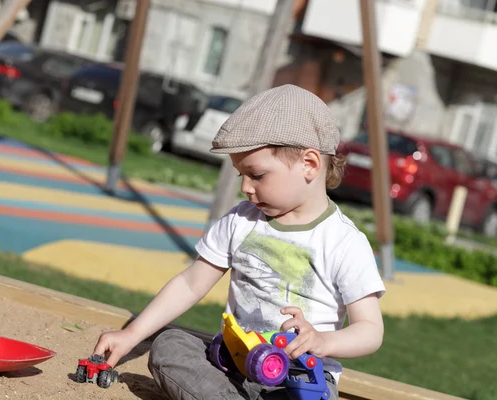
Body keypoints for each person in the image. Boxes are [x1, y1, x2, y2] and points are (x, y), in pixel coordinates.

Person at [93, 85, 386, 400]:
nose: (246, 187)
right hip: (232, 366)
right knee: (169, 346)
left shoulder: (343, 242)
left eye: (257, 175)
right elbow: (191, 284)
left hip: (299, 379)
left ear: (310, 165)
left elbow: (370, 330)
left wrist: (323, 342)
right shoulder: (240, 221)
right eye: (240, 176)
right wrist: (133, 334)